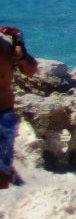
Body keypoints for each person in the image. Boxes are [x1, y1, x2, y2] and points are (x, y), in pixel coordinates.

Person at [1, 26, 40, 189]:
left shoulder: (6, 45)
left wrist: (22, 54)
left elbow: (31, 70)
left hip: (3, 115)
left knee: (2, 177)